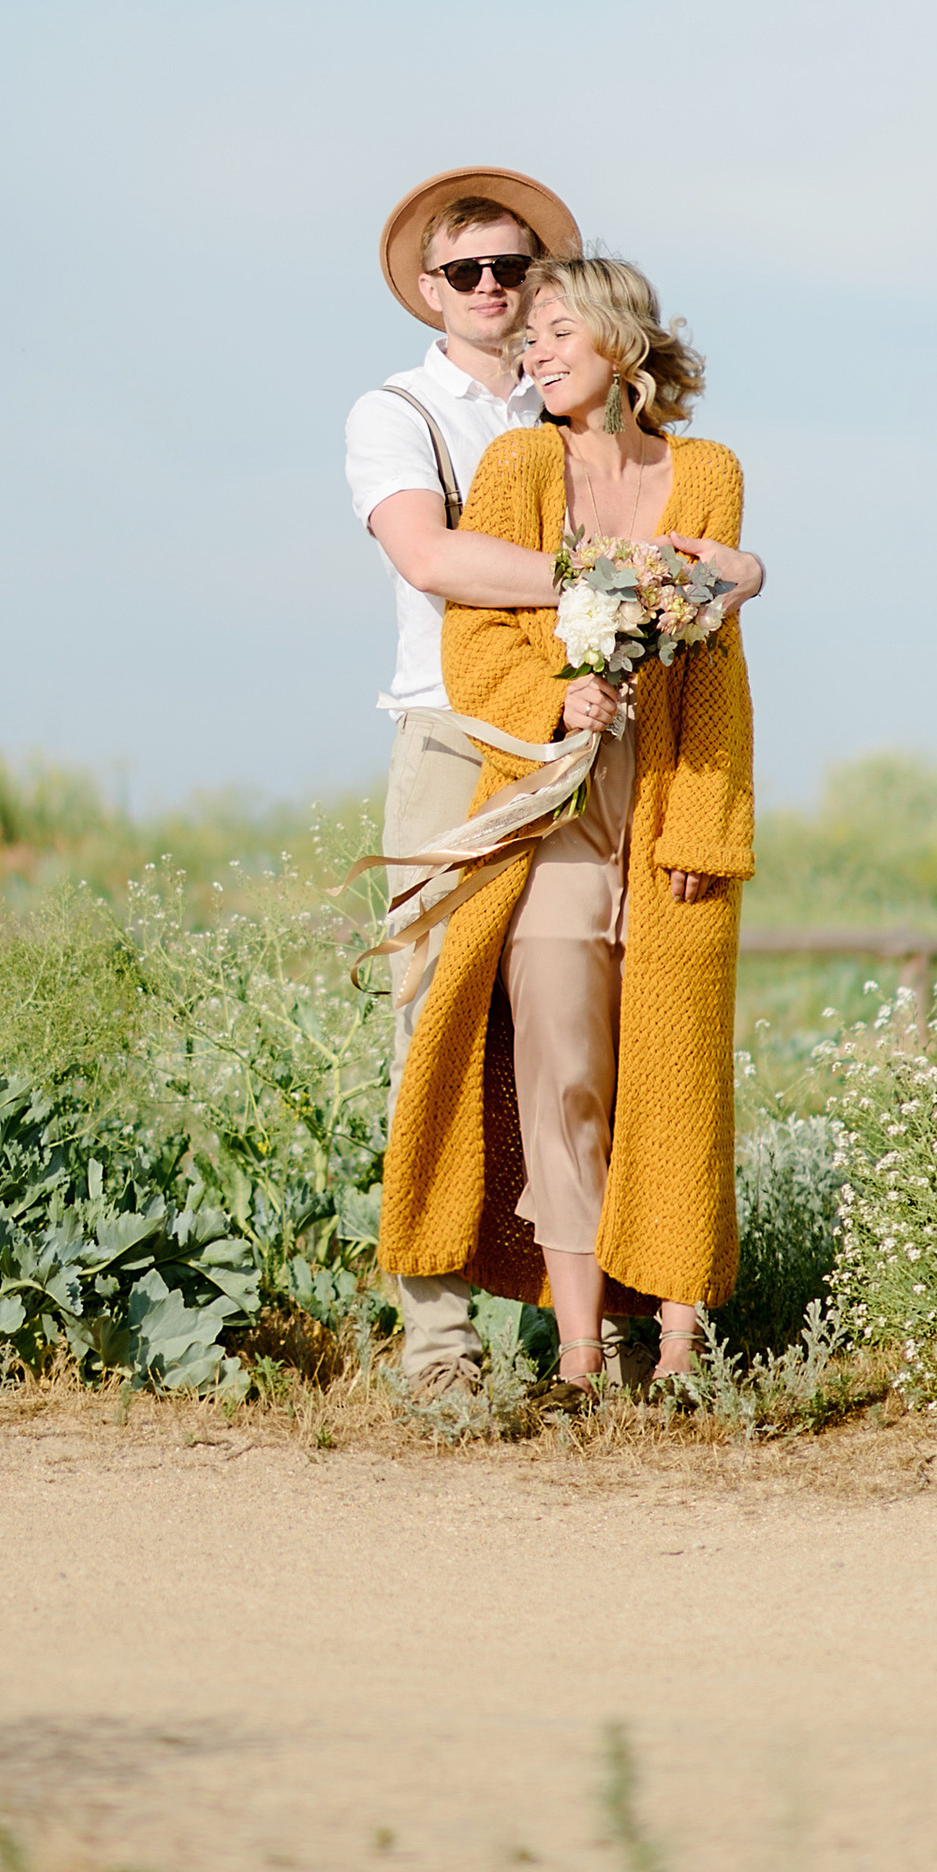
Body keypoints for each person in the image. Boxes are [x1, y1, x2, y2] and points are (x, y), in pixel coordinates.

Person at [377, 253, 762, 1388]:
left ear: (619, 342)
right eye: (529, 336)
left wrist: (704, 830)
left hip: (672, 793)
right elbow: (474, 633)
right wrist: (557, 696)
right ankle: (581, 1360)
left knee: (676, 1070)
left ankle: (682, 1353)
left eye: (555, 331)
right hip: (551, 801)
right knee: (564, 1071)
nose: (534, 352)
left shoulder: (708, 470)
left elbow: (717, 666)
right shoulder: (515, 462)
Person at [345, 168, 585, 1396]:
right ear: (428, 291)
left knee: (574, 1035)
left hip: (583, 737)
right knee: (434, 1029)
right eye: (464, 270)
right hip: (451, 740)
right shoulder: (395, 412)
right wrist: (606, 572)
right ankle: (437, 1346)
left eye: (510, 266)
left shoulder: (582, 400)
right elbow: (430, 557)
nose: (490, 286)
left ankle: (586, 1333)